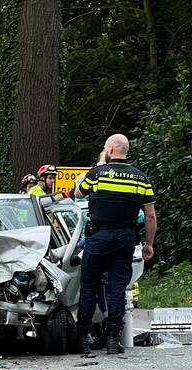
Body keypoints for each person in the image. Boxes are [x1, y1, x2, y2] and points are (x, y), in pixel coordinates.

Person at [75, 133, 156, 355]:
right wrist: (149, 244)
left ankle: (83, 337)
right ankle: (113, 339)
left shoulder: (98, 174)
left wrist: (98, 166)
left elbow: (77, 192)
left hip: (99, 237)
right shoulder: (140, 178)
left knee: (89, 286)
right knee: (117, 288)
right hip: (125, 238)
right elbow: (150, 216)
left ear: (109, 150)